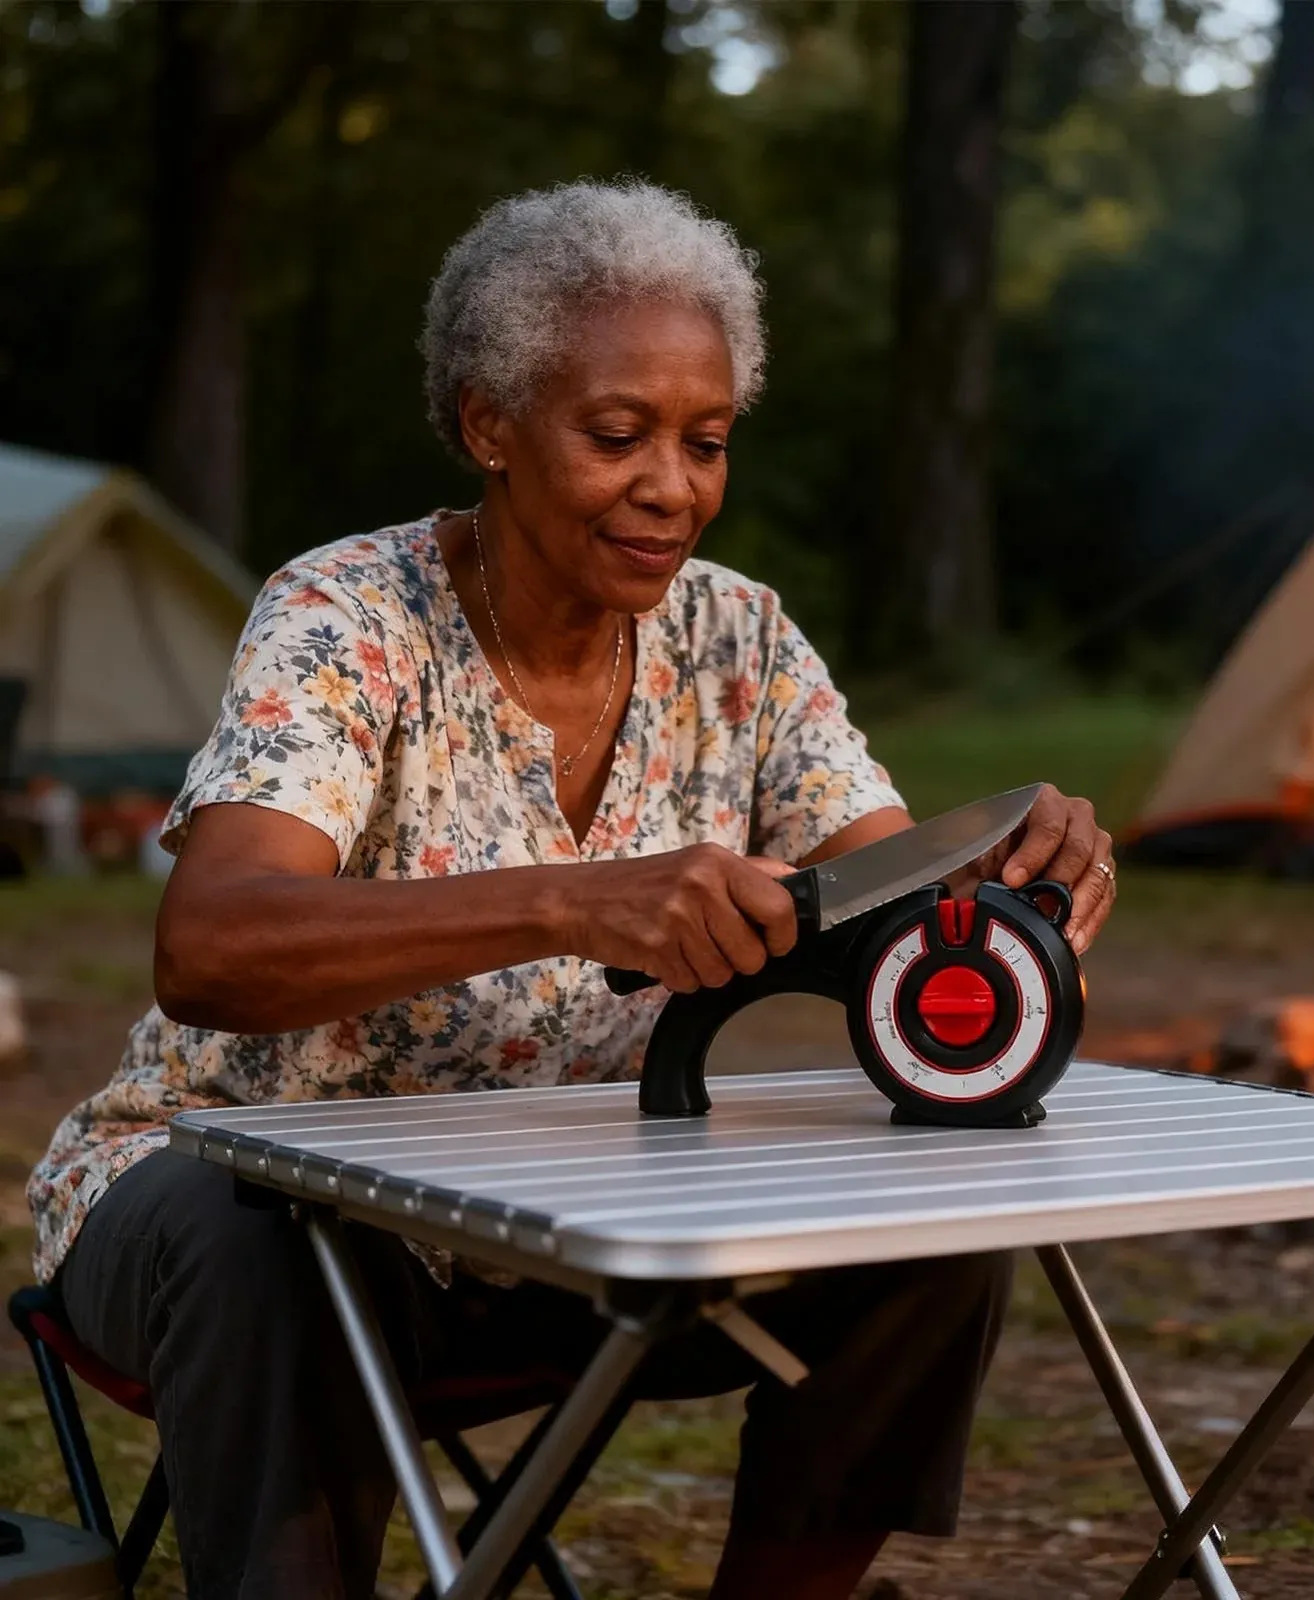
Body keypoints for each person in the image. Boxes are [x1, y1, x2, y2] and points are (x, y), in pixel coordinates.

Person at [27, 180, 1118, 1600]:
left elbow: (884, 894)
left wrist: (997, 874)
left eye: (707, 441)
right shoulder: (349, 619)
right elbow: (214, 946)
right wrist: (569, 899)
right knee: (268, 1247)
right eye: (618, 436)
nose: (673, 484)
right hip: (233, 1188)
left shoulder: (740, 639)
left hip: (564, 1206)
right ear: (489, 425)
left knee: (934, 1239)